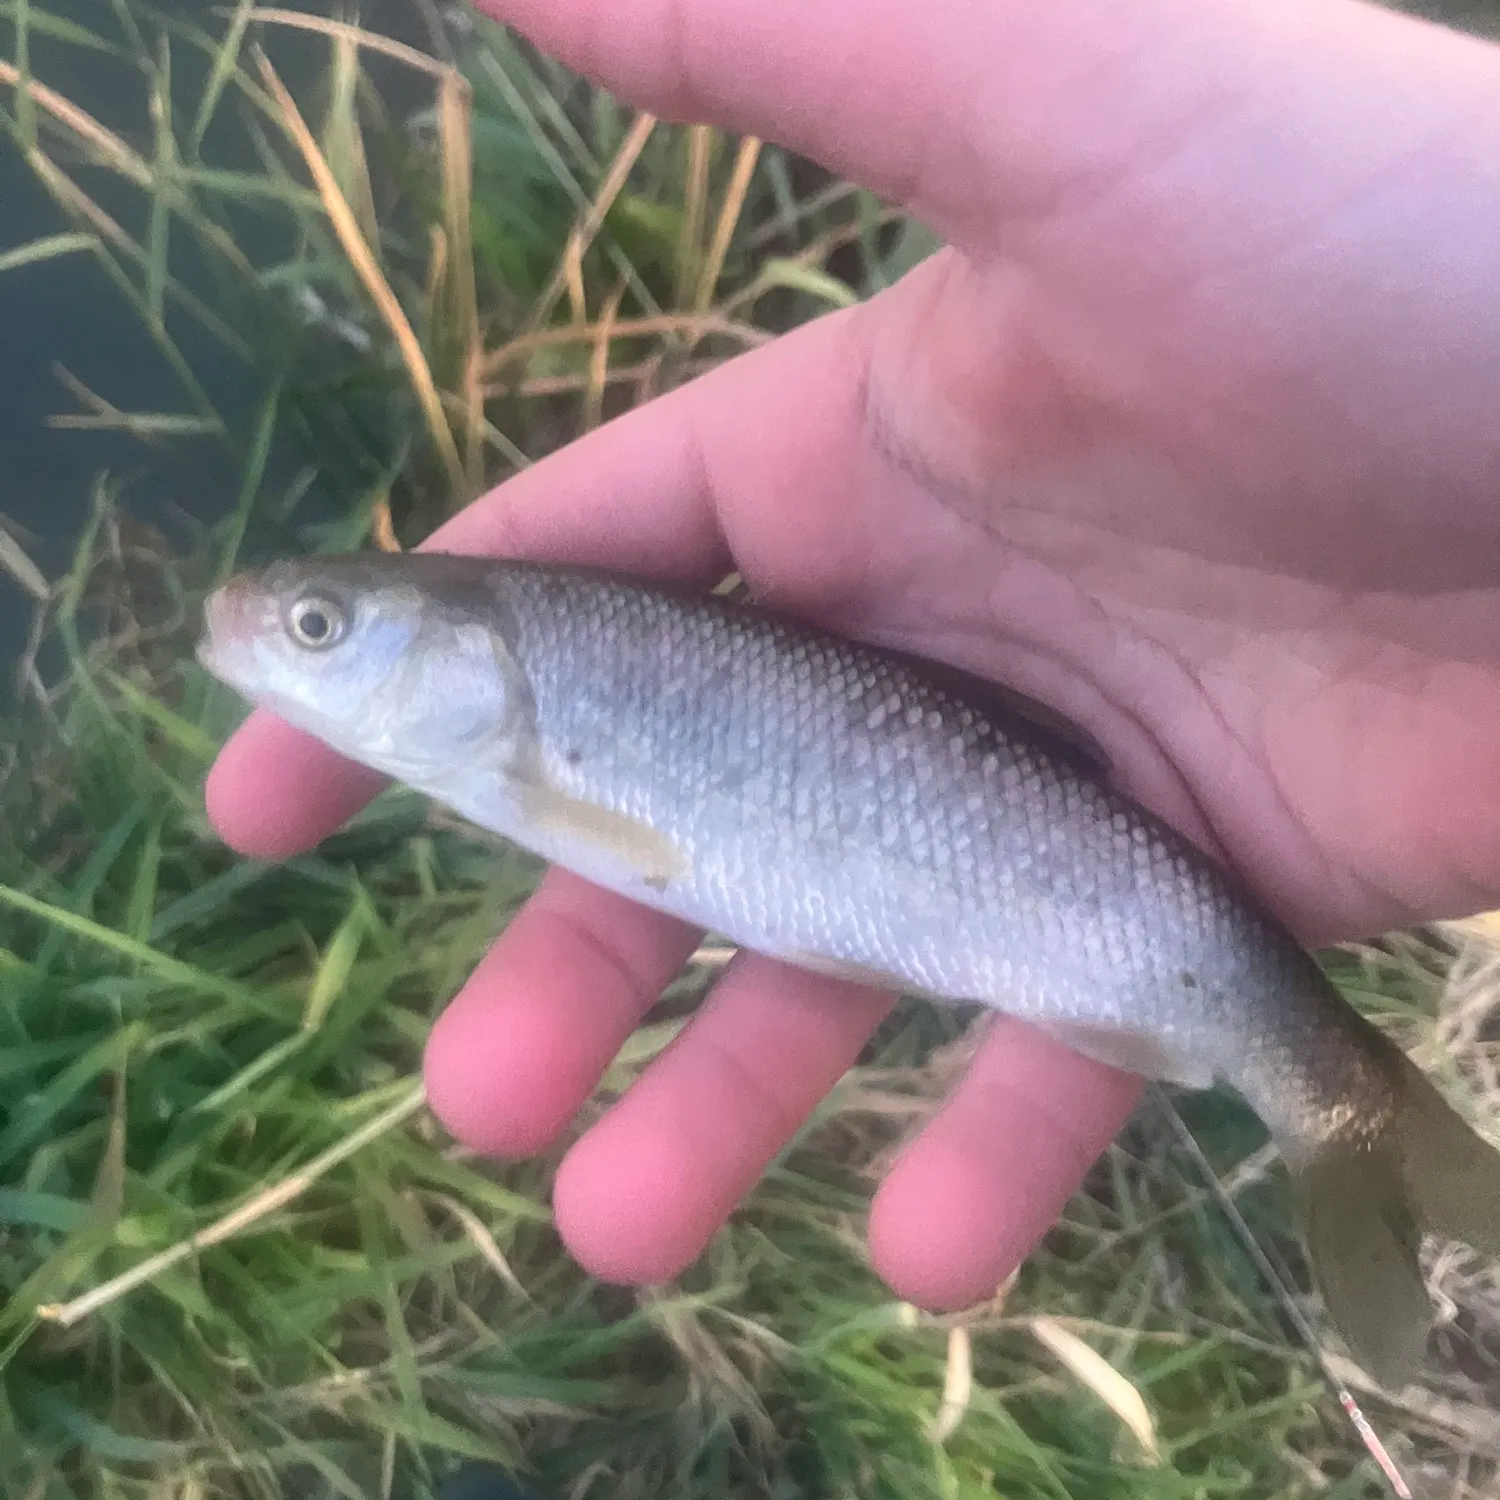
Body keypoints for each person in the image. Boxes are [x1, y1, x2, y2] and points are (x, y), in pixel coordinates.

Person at [206, 0, 1500, 1319]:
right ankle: (1361, 1126)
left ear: (471, 656)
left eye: (320, 627)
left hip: (1144, 902)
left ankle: (1351, 1113)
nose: (275, 633)